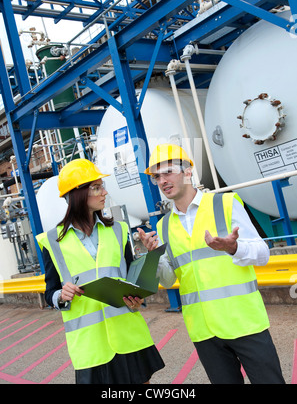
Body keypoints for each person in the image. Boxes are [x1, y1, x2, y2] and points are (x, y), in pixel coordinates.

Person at [137, 143, 285, 384]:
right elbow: (168, 279)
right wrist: (153, 256)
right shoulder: (164, 225)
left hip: (244, 322)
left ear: (187, 172)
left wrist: (234, 248)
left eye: (168, 171)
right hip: (204, 331)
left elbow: (262, 253)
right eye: (157, 176)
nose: (162, 180)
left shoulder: (224, 204)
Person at [36, 158, 164, 385]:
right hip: (90, 347)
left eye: (101, 186)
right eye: (96, 187)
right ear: (77, 195)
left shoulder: (118, 230)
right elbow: (50, 292)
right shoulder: (51, 241)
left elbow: (131, 277)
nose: (104, 192)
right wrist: (61, 296)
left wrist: (148, 260)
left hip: (128, 335)